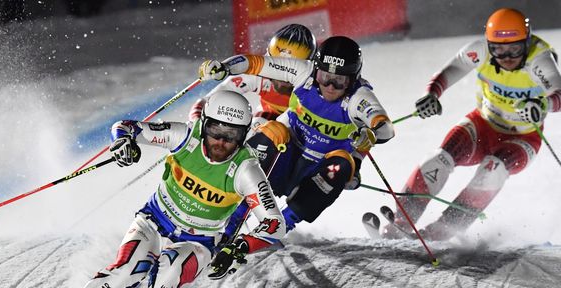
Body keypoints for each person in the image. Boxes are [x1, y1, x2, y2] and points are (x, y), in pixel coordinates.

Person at [23, 91, 286, 288]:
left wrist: (240, 247)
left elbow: (275, 224)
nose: (221, 143)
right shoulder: (185, 137)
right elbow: (126, 126)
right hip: (154, 221)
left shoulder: (245, 169)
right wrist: (125, 143)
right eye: (215, 131)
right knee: (126, 270)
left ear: (244, 134)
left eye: (232, 135)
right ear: (205, 124)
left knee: (165, 279)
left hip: (197, 242)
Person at [382, 8, 561, 241]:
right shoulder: (481, 51)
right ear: (489, 45)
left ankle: (443, 230)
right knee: (439, 160)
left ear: (527, 42)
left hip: (522, 138)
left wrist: (543, 105)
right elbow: (453, 69)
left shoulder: (539, 58)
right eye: (498, 49)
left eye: (515, 49)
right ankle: (401, 221)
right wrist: (432, 94)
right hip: (482, 125)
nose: (507, 57)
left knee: (493, 171)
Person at [199, 36, 395, 236]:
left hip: (317, 170)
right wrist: (224, 67)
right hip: (286, 154)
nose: (330, 86)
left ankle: (280, 227)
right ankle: (234, 219)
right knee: (271, 130)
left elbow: (386, 127)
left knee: (342, 165)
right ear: (316, 69)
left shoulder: (359, 97)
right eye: (325, 77)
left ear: (353, 80)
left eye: (339, 81)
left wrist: (370, 133)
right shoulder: (304, 71)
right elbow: (257, 63)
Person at [189, 23, 317, 130]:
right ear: (270, 62)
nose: (283, 78)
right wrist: (196, 124)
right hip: (269, 118)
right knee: (257, 127)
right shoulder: (258, 76)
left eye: (291, 72)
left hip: (308, 124)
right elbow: (208, 101)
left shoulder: (320, 83)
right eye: (278, 69)